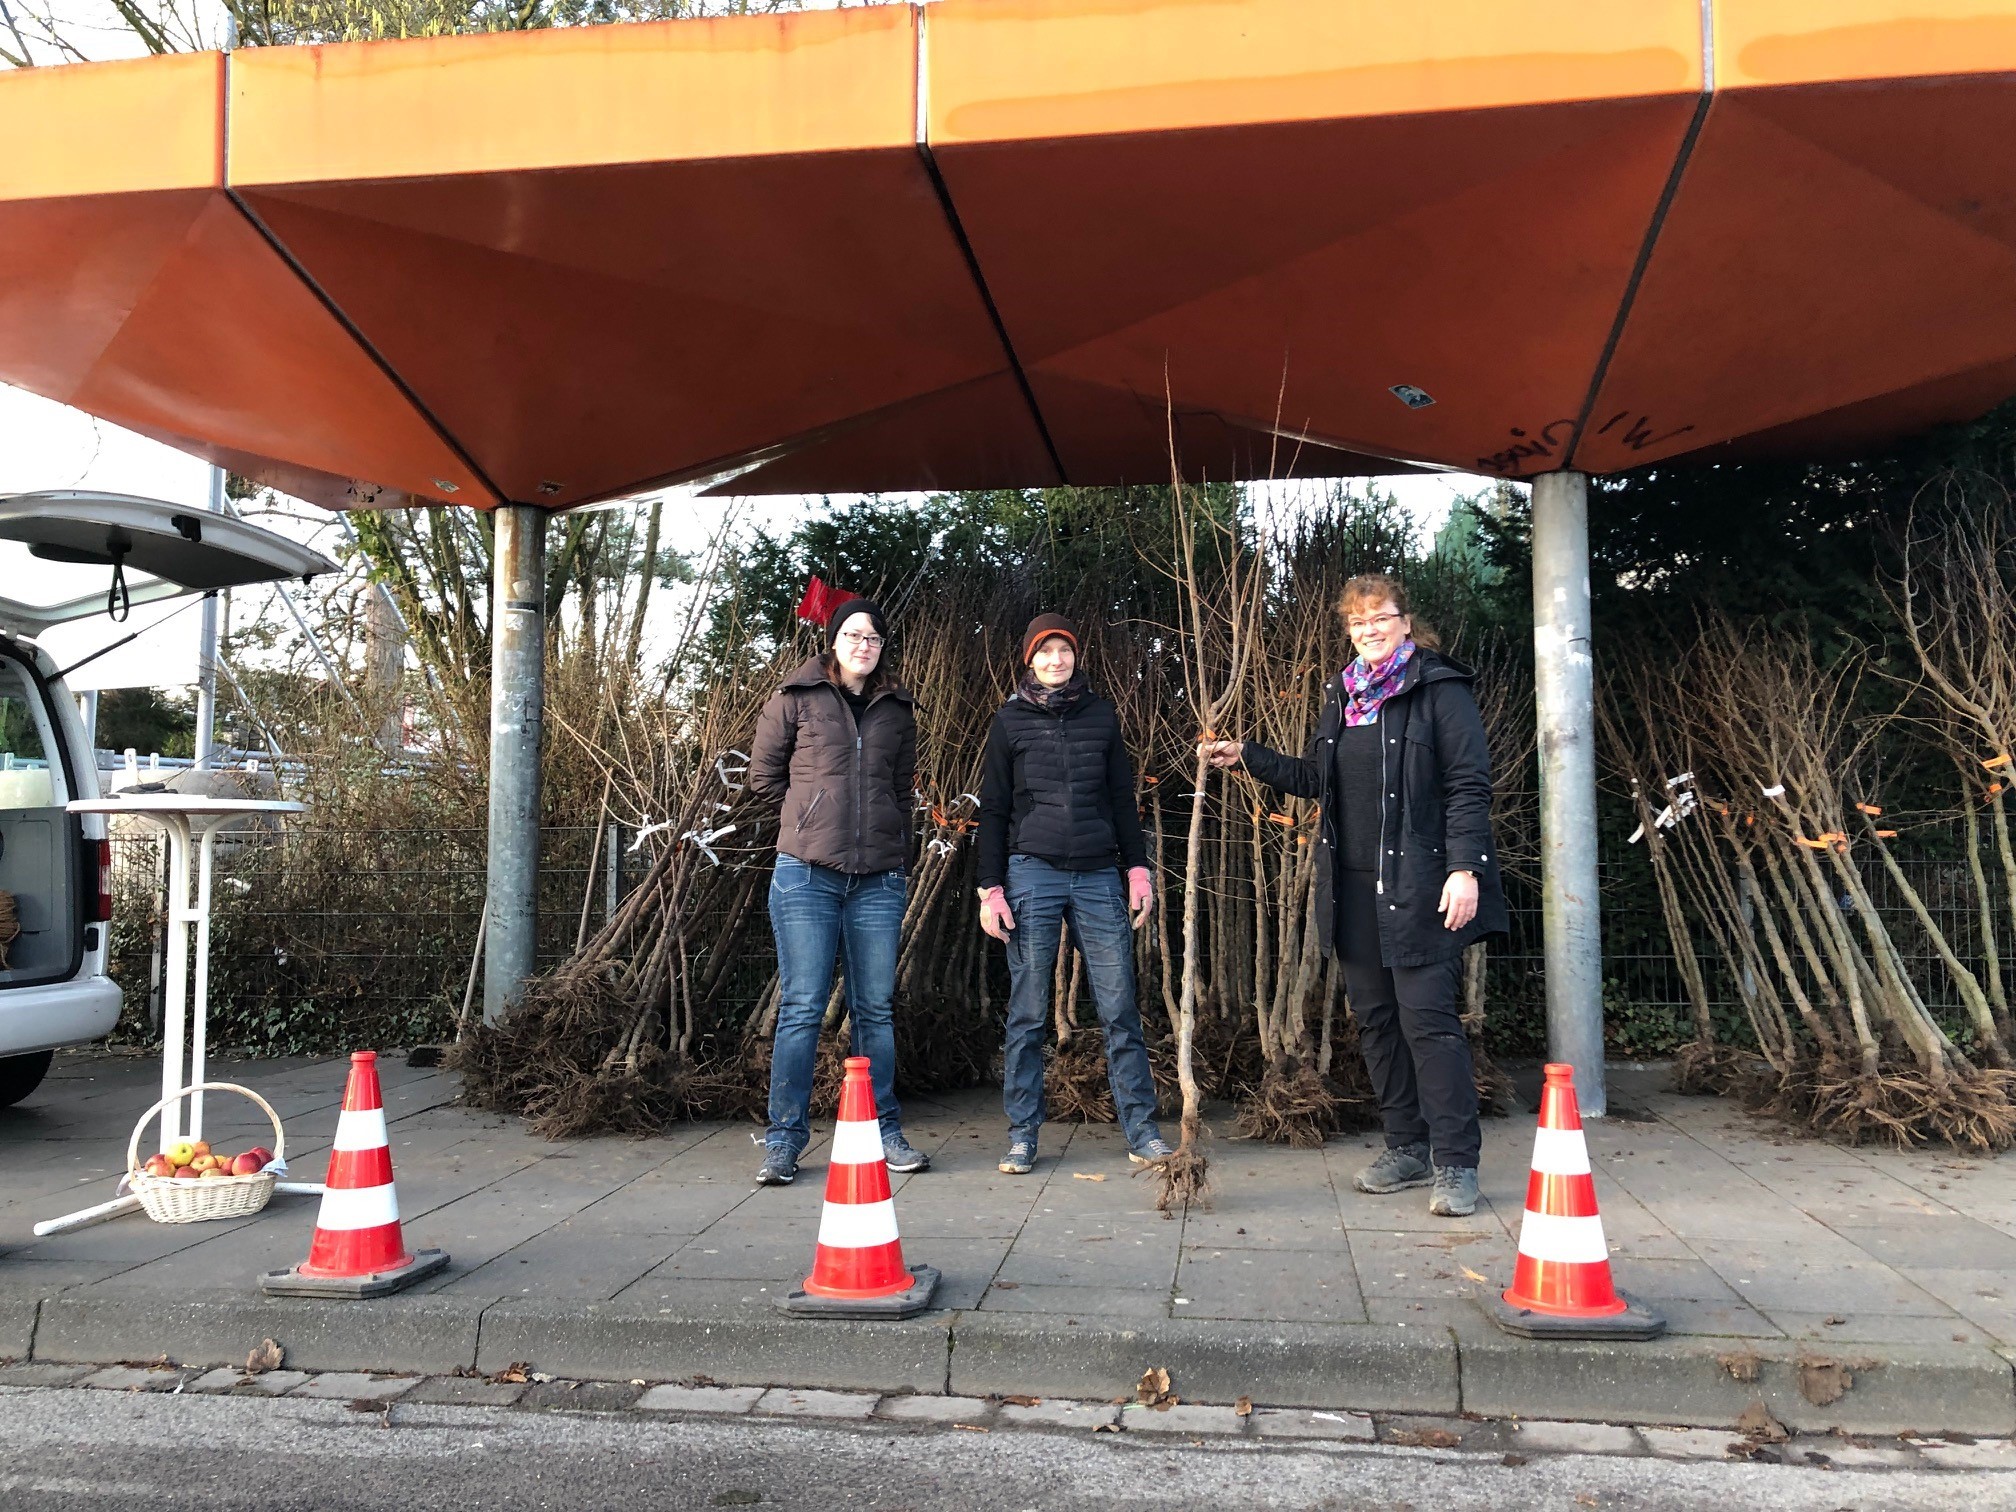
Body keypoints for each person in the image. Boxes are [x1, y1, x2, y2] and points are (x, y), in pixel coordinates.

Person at [1202, 574, 1506, 1217]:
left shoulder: (1439, 690)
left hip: (1422, 884)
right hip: (1352, 887)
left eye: (1379, 618)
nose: (1368, 630)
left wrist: (1465, 870)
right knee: (1377, 1023)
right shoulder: (1343, 695)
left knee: (1429, 1024)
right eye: (1356, 622)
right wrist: (1246, 756)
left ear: (1404, 621)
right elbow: (1318, 779)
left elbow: (1469, 785)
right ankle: (1406, 1147)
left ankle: (1455, 1163)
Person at [976, 612, 1173, 1175]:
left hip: (1096, 875)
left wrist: (1138, 871)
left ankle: (1142, 1130)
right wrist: (991, 888)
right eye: (1045, 651)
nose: (1056, 660)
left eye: (1064, 650)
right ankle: (1022, 1134)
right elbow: (993, 810)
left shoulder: (1101, 715)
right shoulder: (1009, 721)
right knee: (1029, 1010)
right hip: (1031, 872)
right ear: (1029, 659)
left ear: (1075, 657)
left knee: (1118, 1008)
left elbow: (1119, 799)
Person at [748, 597, 928, 1186]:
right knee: (802, 1007)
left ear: (882, 648)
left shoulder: (898, 710)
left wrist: (896, 848)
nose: (863, 645)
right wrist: (810, 819)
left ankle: (885, 1131)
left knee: (875, 1009)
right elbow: (764, 776)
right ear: (834, 640)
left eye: (874, 638)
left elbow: (902, 789)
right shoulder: (794, 698)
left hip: (878, 876)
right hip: (806, 872)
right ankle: (783, 1141)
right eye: (853, 635)